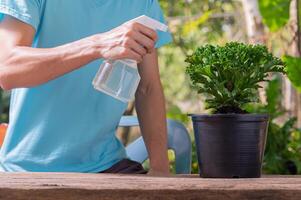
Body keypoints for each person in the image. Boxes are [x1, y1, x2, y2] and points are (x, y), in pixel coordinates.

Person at [0, 0, 172, 175]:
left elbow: (148, 87)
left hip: (107, 166)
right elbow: (7, 69)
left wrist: (160, 168)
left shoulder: (143, 4)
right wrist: (97, 45)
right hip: (26, 168)